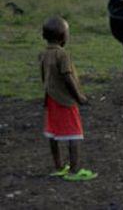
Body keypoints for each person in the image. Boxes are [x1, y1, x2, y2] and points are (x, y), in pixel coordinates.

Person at [39, 16, 97, 181]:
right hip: (65, 100)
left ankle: (58, 167)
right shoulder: (62, 55)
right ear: (64, 37)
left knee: (53, 133)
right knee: (74, 134)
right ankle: (74, 170)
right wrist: (79, 97)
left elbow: (45, 77)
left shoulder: (43, 54)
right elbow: (67, 77)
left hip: (50, 99)